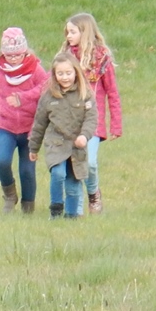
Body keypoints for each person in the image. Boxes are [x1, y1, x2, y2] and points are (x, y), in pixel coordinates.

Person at [0, 28, 49, 213]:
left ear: (25, 52)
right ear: (2, 53)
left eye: (18, 55)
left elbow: (46, 87)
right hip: (6, 127)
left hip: (30, 129)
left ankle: (28, 206)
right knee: (1, 161)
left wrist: (25, 98)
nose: (14, 59)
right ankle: (9, 194)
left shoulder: (36, 70)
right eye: (9, 55)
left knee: (27, 170)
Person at [58, 13, 122, 215]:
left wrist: (116, 124)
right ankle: (75, 210)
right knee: (74, 164)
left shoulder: (102, 59)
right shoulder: (65, 58)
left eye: (72, 32)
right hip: (70, 122)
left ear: (84, 32)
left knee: (90, 162)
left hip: (93, 122)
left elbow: (112, 93)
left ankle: (94, 193)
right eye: (67, 32)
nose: (68, 36)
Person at [28, 52, 97, 219]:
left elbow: (91, 119)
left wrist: (84, 136)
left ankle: (71, 216)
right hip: (56, 144)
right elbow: (39, 124)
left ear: (76, 73)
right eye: (60, 73)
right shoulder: (48, 97)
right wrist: (33, 148)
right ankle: (56, 208)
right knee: (58, 174)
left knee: (73, 186)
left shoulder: (85, 94)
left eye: (68, 73)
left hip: (76, 147)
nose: (64, 77)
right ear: (54, 75)